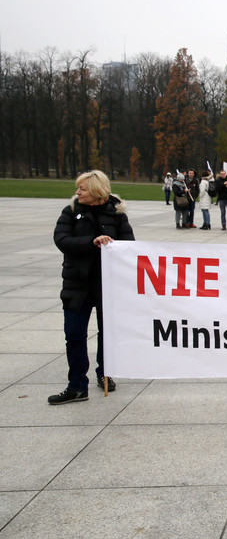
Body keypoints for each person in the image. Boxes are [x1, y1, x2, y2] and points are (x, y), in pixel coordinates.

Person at [50, 170, 135, 404]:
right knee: (74, 334)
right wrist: (92, 242)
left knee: (107, 334)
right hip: (76, 284)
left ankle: (104, 374)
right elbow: (62, 240)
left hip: (107, 285)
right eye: (78, 188)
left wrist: (112, 245)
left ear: (97, 191)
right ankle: (77, 386)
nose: (77, 192)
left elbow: (129, 246)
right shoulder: (70, 212)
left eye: (83, 189)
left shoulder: (117, 214)